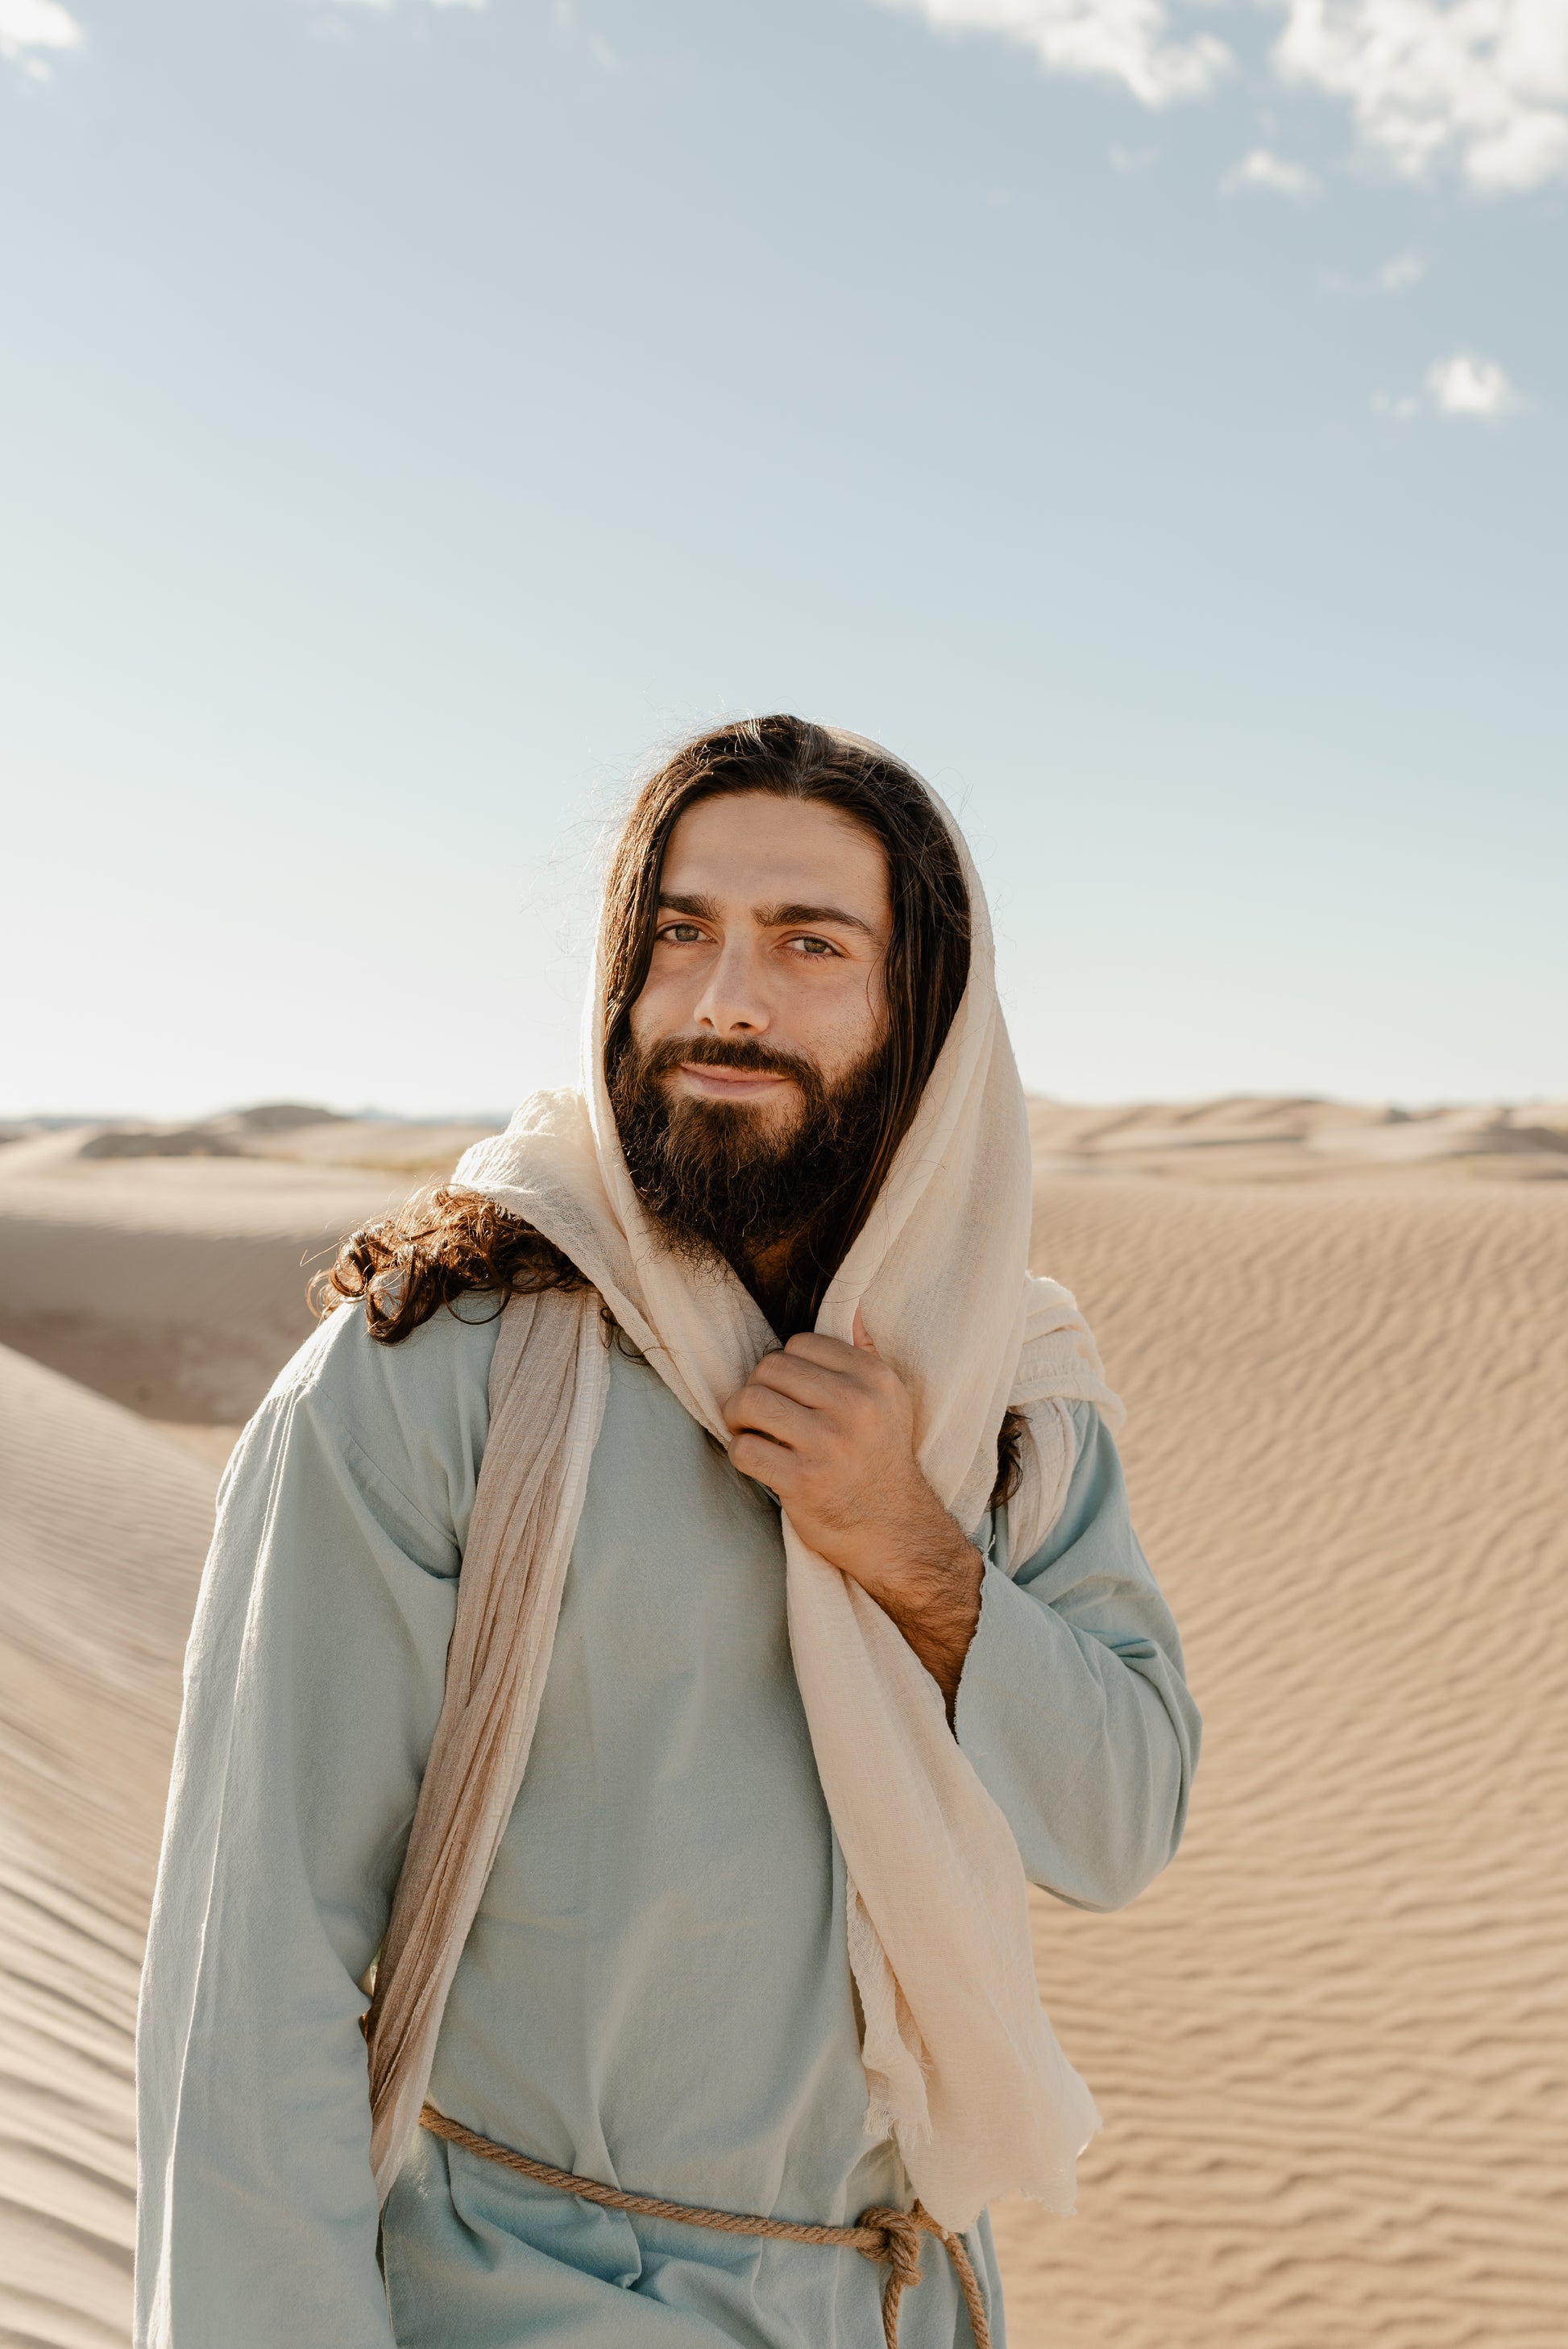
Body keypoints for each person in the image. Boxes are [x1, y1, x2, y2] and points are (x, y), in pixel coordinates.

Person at [135, 716, 1200, 2349]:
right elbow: (251, 1964)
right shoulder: (440, 1368)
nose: (725, 1001)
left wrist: (911, 1547)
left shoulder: (1007, 1392)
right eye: (677, 935)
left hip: (910, 2300)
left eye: (806, 944)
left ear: (918, 1009)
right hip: (538, 2301)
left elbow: (1120, 1820)